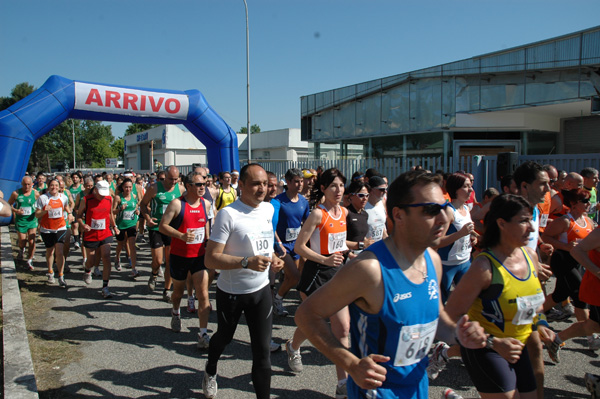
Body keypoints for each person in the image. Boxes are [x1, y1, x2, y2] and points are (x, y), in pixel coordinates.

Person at [295, 170, 486, 399]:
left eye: (444, 208)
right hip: (377, 392)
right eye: (430, 210)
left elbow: (436, 317)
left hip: (417, 386)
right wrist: (352, 365)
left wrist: (459, 334)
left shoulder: (432, 260)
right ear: (399, 215)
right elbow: (306, 315)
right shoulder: (370, 269)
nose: (445, 218)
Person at [445, 194, 555, 399]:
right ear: (502, 223)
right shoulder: (483, 267)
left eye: (530, 220)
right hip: (486, 349)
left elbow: (536, 302)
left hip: (519, 345)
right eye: (523, 221)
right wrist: (493, 342)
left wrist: (541, 324)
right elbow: (449, 315)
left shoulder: (530, 256)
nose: (531, 228)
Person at [203, 164, 284, 399]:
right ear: (241, 185)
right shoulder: (229, 214)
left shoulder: (268, 210)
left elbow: (264, 245)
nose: (262, 189)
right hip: (232, 293)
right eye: (256, 184)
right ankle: (210, 370)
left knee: (262, 354)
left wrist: (275, 258)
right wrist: (246, 262)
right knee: (224, 338)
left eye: (266, 184)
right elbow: (210, 259)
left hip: (261, 291)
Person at [286, 168, 351, 396]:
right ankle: (293, 347)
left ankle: (342, 383)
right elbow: (298, 247)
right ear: (323, 188)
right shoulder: (317, 214)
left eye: (342, 185)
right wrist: (325, 258)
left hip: (337, 274)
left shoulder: (343, 212)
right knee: (313, 323)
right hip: (316, 274)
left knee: (342, 328)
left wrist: (356, 248)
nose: (339, 190)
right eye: (333, 186)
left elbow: (339, 243)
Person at [541, 188, 598, 355]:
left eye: (589, 201)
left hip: (579, 262)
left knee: (559, 294)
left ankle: (532, 313)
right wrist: (566, 246)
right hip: (564, 259)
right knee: (579, 293)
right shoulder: (566, 221)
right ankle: (591, 336)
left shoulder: (588, 221)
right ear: (574, 204)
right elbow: (546, 237)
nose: (589, 205)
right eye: (585, 201)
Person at [159, 171, 212, 348]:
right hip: (179, 256)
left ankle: (203, 333)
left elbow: (205, 223)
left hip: (199, 257)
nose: (202, 187)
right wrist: (181, 236)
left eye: (203, 184)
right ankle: (175, 312)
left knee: (203, 294)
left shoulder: (205, 204)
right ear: (188, 186)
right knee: (178, 292)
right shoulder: (177, 204)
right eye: (198, 184)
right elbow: (163, 226)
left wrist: (208, 241)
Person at [547, 227, 600, 362]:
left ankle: (556, 340)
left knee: (592, 326)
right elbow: (577, 250)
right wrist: (597, 271)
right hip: (597, 288)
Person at [140, 166, 184, 302]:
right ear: (165, 176)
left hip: (172, 229)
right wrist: (147, 218)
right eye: (171, 179)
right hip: (157, 228)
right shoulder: (154, 188)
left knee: (170, 261)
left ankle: (166, 290)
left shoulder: (181, 189)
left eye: (176, 179)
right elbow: (143, 204)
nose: (173, 182)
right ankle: (154, 274)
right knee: (158, 260)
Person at [272, 168, 310, 316]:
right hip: (282, 246)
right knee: (294, 276)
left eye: (301, 181)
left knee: (295, 277)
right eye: (296, 181)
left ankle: (281, 298)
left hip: (297, 244)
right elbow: (271, 225)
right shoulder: (278, 201)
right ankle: (277, 300)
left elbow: (306, 222)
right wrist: (278, 243)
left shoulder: (303, 201)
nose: (300, 184)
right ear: (288, 182)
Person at [435, 172, 476, 303]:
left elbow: (466, 233)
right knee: (442, 300)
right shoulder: (449, 211)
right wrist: (460, 234)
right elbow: (437, 242)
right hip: (448, 264)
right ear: (456, 189)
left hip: (465, 261)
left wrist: (472, 238)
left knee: (467, 298)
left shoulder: (466, 209)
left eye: (470, 186)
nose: (471, 189)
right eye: (466, 186)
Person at [78, 181, 119, 298]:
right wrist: (83, 224)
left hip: (105, 233)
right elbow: (79, 215)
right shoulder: (86, 200)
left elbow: (110, 214)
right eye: (100, 193)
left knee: (106, 257)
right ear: (95, 189)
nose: (102, 196)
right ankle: (87, 270)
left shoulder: (109, 199)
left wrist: (114, 227)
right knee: (90, 260)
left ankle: (105, 287)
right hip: (90, 234)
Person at [35, 178, 70, 287]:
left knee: (59, 251)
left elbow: (67, 207)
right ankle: (50, 272)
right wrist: (45, 210)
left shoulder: (63, 197)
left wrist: (70, 214)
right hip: (47, 229)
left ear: (59, 187)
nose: (54, 187)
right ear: (48, 186)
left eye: (56, 185)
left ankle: (61, 275)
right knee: (50, 251)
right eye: (52, 185)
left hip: (60, 227)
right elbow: (37, 214)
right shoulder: (43, 198)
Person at [9, 176, 39, 270]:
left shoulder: (35, 193)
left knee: (31, 241)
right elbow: (8, 205)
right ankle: (22, 249)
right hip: (21, 220)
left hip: (32, 220)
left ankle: (29, 259)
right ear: (22, 184)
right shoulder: (16, 193)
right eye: (25, 184)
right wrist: (16, 210)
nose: (27, 186)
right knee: (22, 241)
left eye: (29, 184)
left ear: (32, 184)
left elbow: (41, 205)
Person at [113, 178, 140, 278]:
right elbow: (113, 211)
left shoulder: (134, 196)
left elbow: (136, 206)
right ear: (122, 187)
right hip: (121, 224)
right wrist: (120, 209)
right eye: (126, 187)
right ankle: (117, 258)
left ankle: (133, 268)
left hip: (132, 224)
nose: (128, 189)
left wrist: (137, 211)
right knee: (121, 244)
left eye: (129, 187)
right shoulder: (118, 197)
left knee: (132, 245)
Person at [344, 180, 374, 257]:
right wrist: (350, 254)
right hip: (347, 257)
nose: (365, 198)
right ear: (351, 196)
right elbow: (339, 241)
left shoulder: (365, 214)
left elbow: (360, 235)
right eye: (361, 195)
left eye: (367, 195)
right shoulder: (346, 213)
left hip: (362, 255)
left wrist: (367, 242)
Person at [364, 175, 389, 243]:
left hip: (379, 247)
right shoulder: (363, 206)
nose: (385, 192)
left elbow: (382, 227)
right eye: (381, 189)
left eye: (386, 189)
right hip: (367, 250)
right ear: (371, 190)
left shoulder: (382, 204)